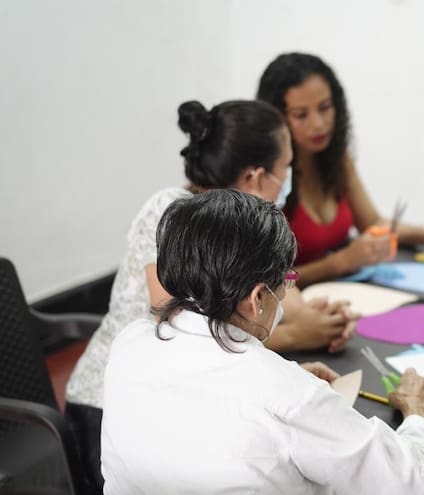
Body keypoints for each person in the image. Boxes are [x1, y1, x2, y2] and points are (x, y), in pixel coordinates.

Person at [65, 99, 357, 493]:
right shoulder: (172, 214)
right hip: (118, 406)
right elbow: (184, 333)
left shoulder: (241, 227)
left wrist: (311, 315)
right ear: (255, 177)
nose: (291, 179)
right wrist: (299, 336)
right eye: (287, 168)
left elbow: (276, 287)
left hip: (186, 398)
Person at [101, 189, 424, 494]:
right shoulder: (286, 394)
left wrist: (291, 381)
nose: (286, 291)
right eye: (286, 281)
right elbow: (411, 480)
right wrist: (416, 412)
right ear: (258, 298)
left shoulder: (130, 343)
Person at [256, 52, 424, 287]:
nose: (318, 123)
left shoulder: (337, 158)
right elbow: (267, 282)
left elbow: (372, 222)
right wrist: (341, 262)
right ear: (277, 118)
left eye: (325, 107)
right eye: (301, 115)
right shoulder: (268, 179)